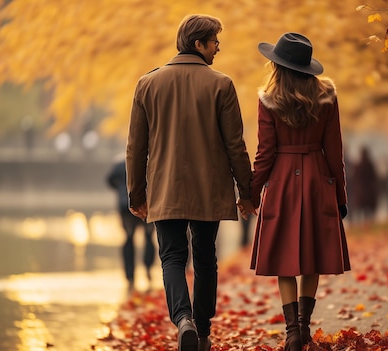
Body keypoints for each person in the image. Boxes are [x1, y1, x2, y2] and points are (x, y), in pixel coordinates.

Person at [126, 14, 253, 351]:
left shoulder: (147, 84)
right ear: (198, 44)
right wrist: (247, 192)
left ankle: (182, 320)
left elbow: (135, 147)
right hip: (209, 189)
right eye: (214, 41)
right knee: (205, 256)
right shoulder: (221, 85)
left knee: (171, 257)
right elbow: (235, 146)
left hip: (165, 188)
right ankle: (204, 329)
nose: (218, 47)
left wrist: (136, 194)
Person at [246, 32, 351, 351]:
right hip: (319, 180)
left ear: (277, 66)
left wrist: (252, 193)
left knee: (284, 260)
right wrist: (341, 195)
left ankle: (293, 333)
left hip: (281, 184)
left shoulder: (268, 99)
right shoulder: (327, 97)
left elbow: (265, 153)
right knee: (313, 258)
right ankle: (303, 326)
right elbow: (335, 151)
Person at [106, 157, 156, 293]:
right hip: (146, 205)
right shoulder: (149, 162)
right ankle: (148, 268)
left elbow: (109, 181)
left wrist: (121, 190)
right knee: (148, 237)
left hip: (125, 205)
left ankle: (130, 275)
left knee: (128, 237)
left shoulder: (119, 164)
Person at [349, 146, 379, 223]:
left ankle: (360, 223)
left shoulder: (358, 165)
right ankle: (368, 223)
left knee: (361, 210)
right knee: (368, 211)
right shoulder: (370, 164)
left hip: (360, 191)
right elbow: (374, 177)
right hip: (368, 190)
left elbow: (355, 178)